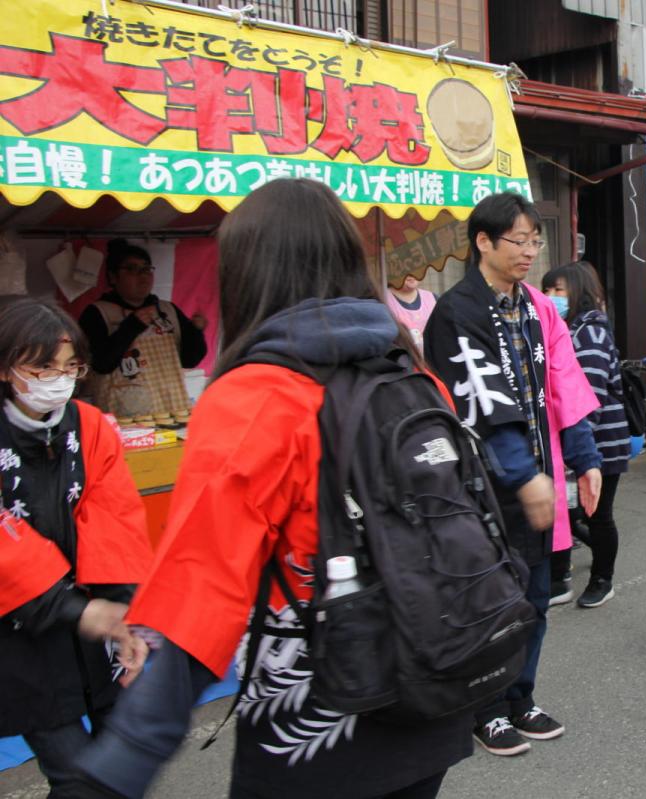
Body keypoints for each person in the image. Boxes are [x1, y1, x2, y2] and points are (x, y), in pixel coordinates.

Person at [65, 179, 469, 799]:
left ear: (249, 271)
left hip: (322, 714)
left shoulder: (256, 396)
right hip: (434, 677)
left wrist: (128, 753)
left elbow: (203, 583)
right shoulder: (412, 374)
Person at [424, 192, 602, 757]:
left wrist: (586, 458)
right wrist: (524, 477)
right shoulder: (458, 313)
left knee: (534, 597)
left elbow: (564, 383)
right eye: (518, 241)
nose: (530, 251)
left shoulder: (536, 308)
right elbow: (483, 405)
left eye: (535, 240)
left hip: (539, 479)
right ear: (483, 242)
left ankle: (520, 696)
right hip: (484, 487)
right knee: (487, 602)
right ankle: (485, 708)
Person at [0, 297, 151, 793]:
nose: (58, 379)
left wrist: (124, 612)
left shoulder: (87, 423)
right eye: (42, 366)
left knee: (123, 765)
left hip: (93, 624)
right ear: (6, 368)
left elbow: (115, 519)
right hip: (21, 636)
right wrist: (74, 609)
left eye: (70, 366)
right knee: (77, 778)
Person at [543, 261, 631, 608]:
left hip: (600, 443)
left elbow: (586, 398)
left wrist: (578, 449)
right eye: (548, 290)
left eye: (559, 290)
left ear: (579, 292)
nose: (552, 297)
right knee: (571, 510)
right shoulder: (566, 328)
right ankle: (560, 574)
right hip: (577, 442)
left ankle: (602, 578)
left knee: (598, 514)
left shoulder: (590, 332)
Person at [79, 239, 208, 424]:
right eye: (132, 269)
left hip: (172, 410)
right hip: (126, 419)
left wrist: (196, 332)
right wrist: (131, 326)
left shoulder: (167, 310)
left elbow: (190, 359)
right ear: (113, 277)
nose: (143, 276)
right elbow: (101, 364)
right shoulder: (97, 313)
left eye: (146, 269)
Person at [386, 271, 437, 353]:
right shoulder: (382, 299)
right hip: (402, 361)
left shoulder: (433, 297)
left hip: (432, 360)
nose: (411, 273)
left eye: (415, 268)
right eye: (405, 268)